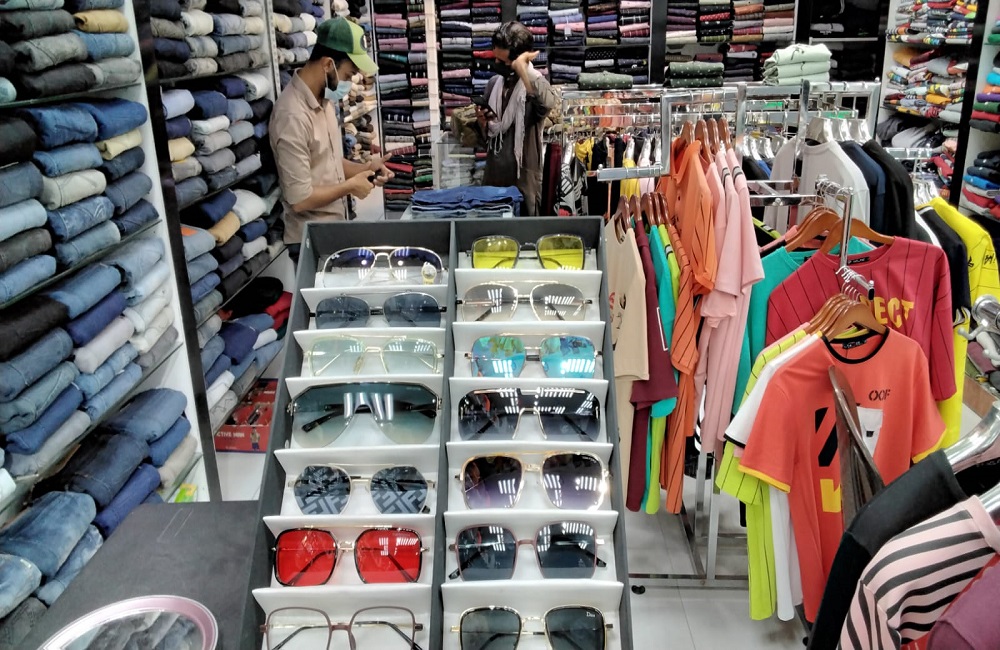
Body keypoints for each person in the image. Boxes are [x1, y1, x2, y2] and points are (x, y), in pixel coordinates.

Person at [270, 17, 394, 258]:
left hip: (333, 231)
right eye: (348, 75)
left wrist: (367, 168)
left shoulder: (324, 101)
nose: (349, 83)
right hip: (309, 242)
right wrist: (350, 187)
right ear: (328, 64)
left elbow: (329, 163)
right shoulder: (292, 115)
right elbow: (299, 199)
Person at [477, 21, 558, 216]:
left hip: (523, 182)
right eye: (496, 59)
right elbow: (485, 140)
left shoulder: (532, 88)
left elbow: (548, 102)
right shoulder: (494, 85)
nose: (497, 65)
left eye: (503, 61)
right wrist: (482, 122)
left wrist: (525, 70)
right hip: (494, 180)